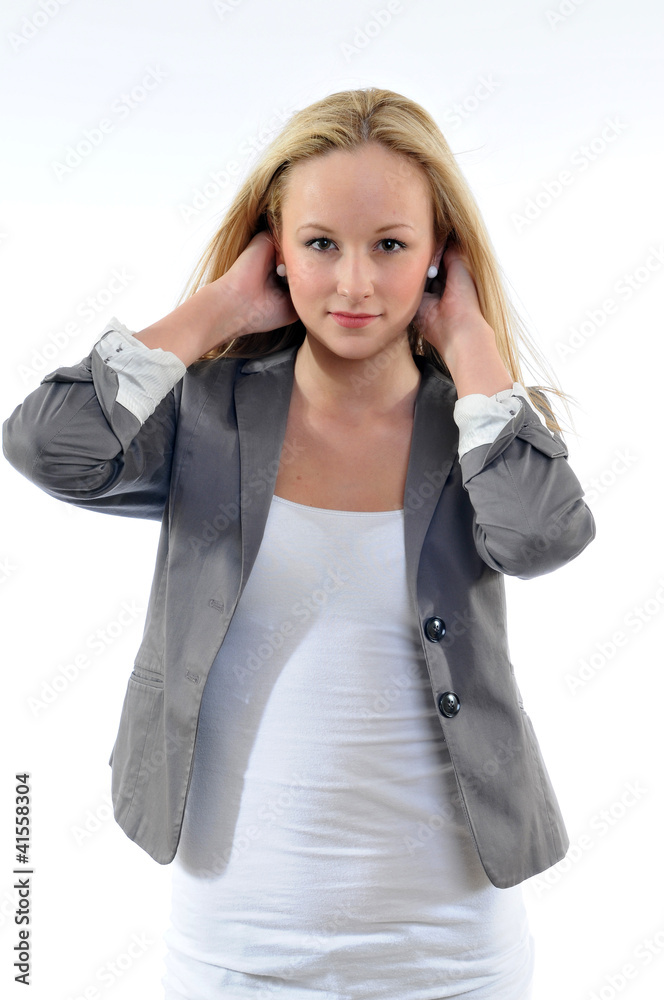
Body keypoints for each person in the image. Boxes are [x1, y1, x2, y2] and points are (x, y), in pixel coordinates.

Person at [3, 86, 595, 999]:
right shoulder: (206, 416)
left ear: (440, 255)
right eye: (320, 243)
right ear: (274, 247)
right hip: (235, 953)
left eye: (390, 245)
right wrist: (215, 311)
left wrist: (472, 342)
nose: (354, 284)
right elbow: (48, 445)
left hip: (452, 958)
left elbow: (543, 536)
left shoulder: (482, 429)